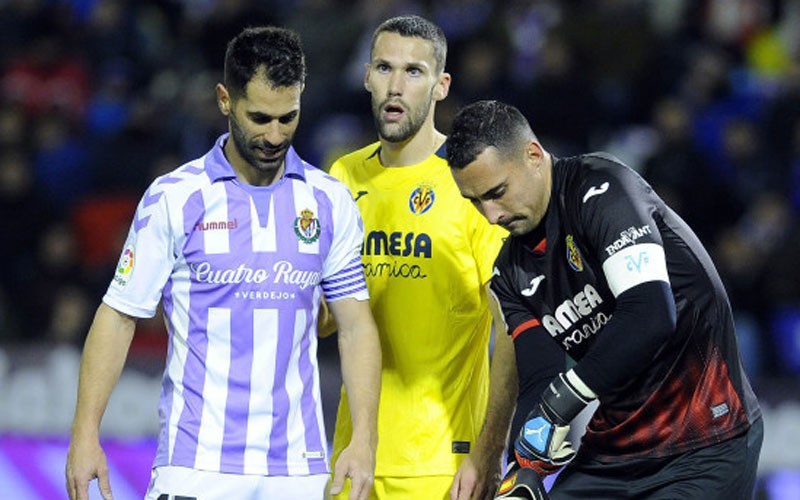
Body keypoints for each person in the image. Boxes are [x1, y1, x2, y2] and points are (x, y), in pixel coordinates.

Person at [64, 26, 381, 500]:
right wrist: (85, 433)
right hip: (195, 467)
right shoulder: (175, 197)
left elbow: (355, 327)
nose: (275, 135)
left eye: (287, 118)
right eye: (259, 118)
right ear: (224, 100)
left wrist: (364, 439)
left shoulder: (330, 201)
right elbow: (118, 315)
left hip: (296, 470)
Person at [446, 100, 763, 499]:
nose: (490, 216)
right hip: (615, 453)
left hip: (705, 439)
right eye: (474, 201)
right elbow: (540, 378)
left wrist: (563, 400)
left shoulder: (603, 188)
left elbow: (650, 312)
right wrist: (524, 468)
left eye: (496, 192)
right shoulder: (509, 274)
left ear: (532, 155)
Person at [321, 15, 508, 500]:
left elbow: (511, 324)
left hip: (443, 465)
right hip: (354, 457)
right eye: (384, 68)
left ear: (442, 85)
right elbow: (323, 319)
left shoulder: (469, 182)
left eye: (414, 71)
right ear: (366, 76)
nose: (396, 86)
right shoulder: (343, 176)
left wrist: (490, 450)